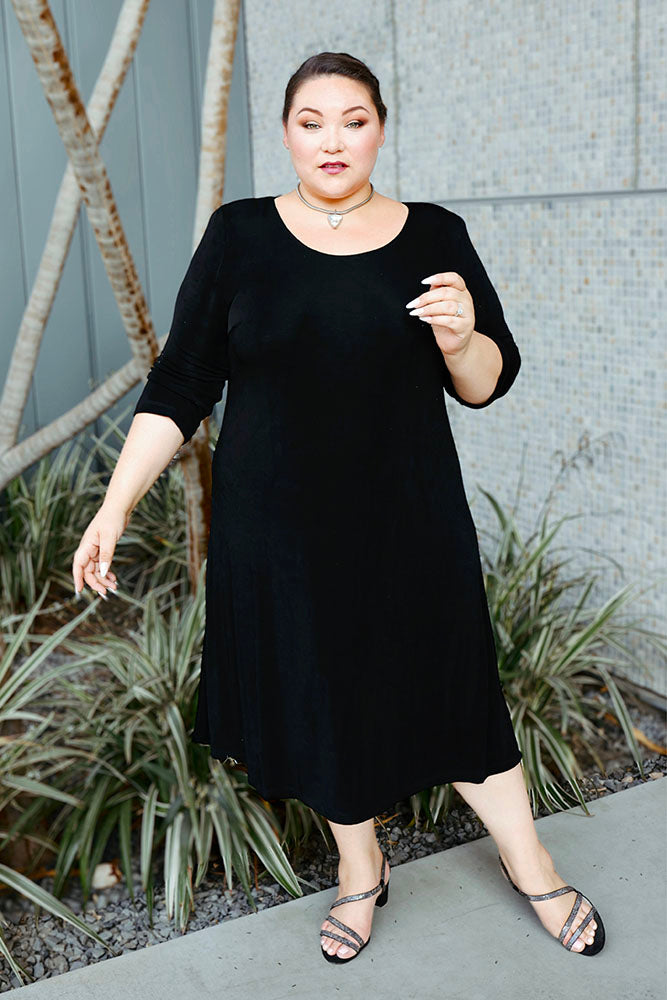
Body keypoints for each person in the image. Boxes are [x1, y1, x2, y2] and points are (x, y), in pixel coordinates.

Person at [71, 51, 605, 964]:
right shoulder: (238, 235)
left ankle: (532, 867)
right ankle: (361, 872)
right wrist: (113, 510)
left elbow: (485, 383)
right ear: (285, 132)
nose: (332, 139)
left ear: (380, 128)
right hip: (276, 534)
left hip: (409, 521)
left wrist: (462, 335)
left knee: (456, 694)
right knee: (317, 700)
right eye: (311, 120)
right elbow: (183, 381)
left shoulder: (432, 232)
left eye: (352, 119)